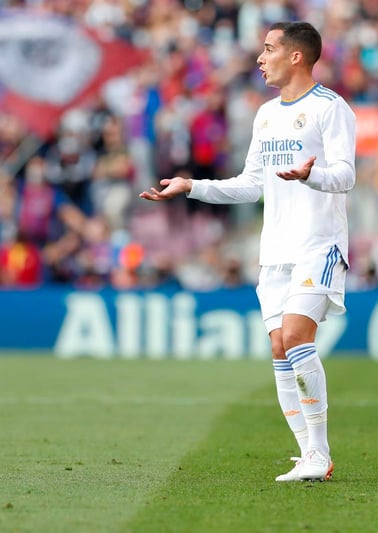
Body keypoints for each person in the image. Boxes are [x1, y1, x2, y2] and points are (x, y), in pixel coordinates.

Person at [140, 21, 356, 482]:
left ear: (296, 55)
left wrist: (310, 176)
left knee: (297, 337)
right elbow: (250, 184)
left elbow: (345, 174)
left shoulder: (331, 108)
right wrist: (192, 186)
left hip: (319, 243)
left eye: (269, 48)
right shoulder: (265, 115)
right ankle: (309, 455)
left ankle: (319, 454)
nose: (260, 58)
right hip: (275, 248)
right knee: (279, 347)